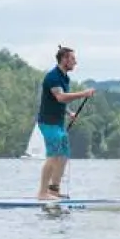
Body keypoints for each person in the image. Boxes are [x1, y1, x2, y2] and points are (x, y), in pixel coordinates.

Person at [36, 45, 95, 200]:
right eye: (73, 59)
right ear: (64, 60)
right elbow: (60, 97)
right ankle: (42, 193)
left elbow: (60, 101)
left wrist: (69, 112)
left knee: (63, 156)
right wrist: (84, 93)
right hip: (48, 123)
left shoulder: (65, 77)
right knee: (53, 155)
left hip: (58, 123)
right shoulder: (53, 77)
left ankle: (53, 191)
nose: (75, 62)